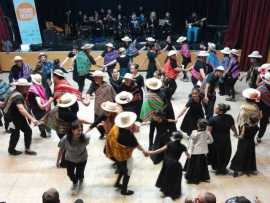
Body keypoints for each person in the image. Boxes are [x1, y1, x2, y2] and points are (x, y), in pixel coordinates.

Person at [105, 111, 148, 195]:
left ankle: (117, 183)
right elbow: (136, 144)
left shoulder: (115, 127)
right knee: (127, 172)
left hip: (115, 154)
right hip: (124, 156)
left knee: (122, 169)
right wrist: (144, 151)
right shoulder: (127, 135)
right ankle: (124, 190)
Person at [148, 131, 190, 200]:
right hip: (176, 164)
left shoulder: (169, 144)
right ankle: (174, 192)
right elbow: (188, 156)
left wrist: (150, 152)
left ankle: (165, 192)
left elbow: (159, 150)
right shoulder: (183, 146)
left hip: (167, 163)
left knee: (166, 177)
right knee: (174, 179)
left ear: (173, 137)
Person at [4, 79, 38, 155]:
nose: (28, 88)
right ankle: (12, 150)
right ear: (21, 87)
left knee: (26, 131)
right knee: (16, 133)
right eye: (26, 87)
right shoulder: (18, 96)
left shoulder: (13, 92)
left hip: (15, 116)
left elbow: (4, 103)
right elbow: (21, 109)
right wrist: (32, 119)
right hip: (13, 118)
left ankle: (26, 149)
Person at [57, 120, 90, 195]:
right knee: (70, 173)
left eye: (81, 130)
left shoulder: (86, 138)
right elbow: (61, 150)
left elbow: (86, 145)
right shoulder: (65, 139)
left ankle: (80, 179)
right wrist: (58, 161)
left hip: (82, 158)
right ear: (72, 130)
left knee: (79, 174)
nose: (80, 132)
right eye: (78, 130)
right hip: (70, 159)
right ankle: (75, 183)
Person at [208, 103, 238, 174]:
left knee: (216, 153)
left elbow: (209, 132)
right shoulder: (229, 117)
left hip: (215, 139)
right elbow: (232, 127)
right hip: (226, 138)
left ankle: (216, 168)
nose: (214, 108)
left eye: (216, 108)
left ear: (220, 111)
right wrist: (236, 133)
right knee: (226, 152)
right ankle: (222, 167)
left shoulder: (212, 119)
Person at [230, 113, 259, 177]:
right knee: (249, 155)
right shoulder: (257, 127)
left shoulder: (245, 126)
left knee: (239, 155)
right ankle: (248, 169)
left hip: (243, 143)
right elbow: (254, 136)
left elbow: (241, 136)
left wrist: (236, 136)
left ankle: (236, 170)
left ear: (249, 119)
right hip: (251, 143)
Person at [185, 119, 213, 184]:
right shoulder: (207, 132)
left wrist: (189, 153)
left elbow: (191, 144)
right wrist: (204, 143)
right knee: (202, 165)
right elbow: (211, 141)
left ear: (198, 125)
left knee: (193, 166)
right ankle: (203, 177)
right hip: (203, 152)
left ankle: (192, 178)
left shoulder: (194, 132)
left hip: (195, 152)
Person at [256, 72, 270, 143]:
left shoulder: (260, 88)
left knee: (260, 123)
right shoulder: (260, 88)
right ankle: (259, 137)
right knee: (263, 124)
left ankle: (258, 136)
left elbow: (257, 101)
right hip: (263, 109)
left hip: (262, 109)